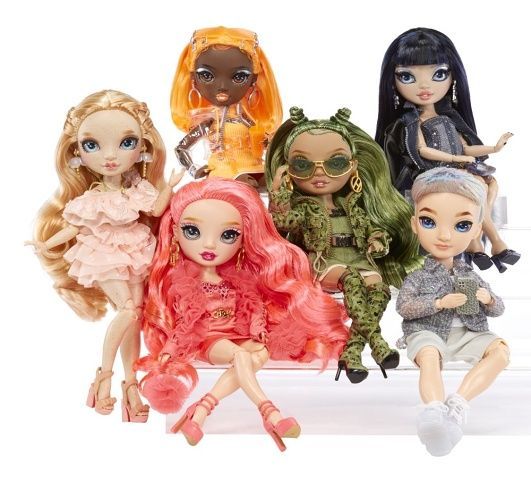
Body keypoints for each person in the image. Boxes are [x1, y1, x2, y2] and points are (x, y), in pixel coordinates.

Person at [135, 178, 348, 451]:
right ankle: (270, 413)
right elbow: (185, 322)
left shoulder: (237, 276)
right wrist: (169, 348)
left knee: (261, 352)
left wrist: (258, 324)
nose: (209, 244)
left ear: (244, 236)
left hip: (237, 333)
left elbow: (252, 304)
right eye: (193, 231)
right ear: (175, 232)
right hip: (208, 339)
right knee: (241, 357)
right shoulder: (181, 280)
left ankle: (200, 410)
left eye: (228, 235)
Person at [26, 90, 181, 423]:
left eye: (126, 143)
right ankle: (103, 377)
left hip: (136, 251)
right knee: (127, 310)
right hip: (104, 256)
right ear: (76, 153)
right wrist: (46, 244)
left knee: (136, 317)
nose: (110, 156)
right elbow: (73, 227)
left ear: (143, 148)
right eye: (92, 145)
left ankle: (131, 385)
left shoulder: (137, 189)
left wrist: (170, 186)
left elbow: (156, 209)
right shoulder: (89, 199)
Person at [266, 106, 421, 383]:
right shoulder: (305, 208)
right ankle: (377, 342)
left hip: (359, 258)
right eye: (303, 165)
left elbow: (372, 229)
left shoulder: (352, 205)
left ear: (353, 166)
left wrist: (377, 241)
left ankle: (352, 352)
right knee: (351, 279)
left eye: (335, 163)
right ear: (289, 170)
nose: (319, 173)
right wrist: (277, 195)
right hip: (324, 262)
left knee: (379, 289)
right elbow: (281, 223)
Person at [375, 27, 519, 272]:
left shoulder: (450, 117)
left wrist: (494, 148)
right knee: (476, 186)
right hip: (429, 174)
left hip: (455, 170)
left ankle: (477, 241)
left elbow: (467, 147)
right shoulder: (410, 121)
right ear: (393, 81)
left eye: (439, 74)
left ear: (454, 77)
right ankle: (493, 243)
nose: (424, 86)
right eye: (407, 77)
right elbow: (421, 150)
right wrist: (454, 158)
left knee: (489, 184)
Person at [396, 167, 509, 456]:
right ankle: (433, 411)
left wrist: (487, 299)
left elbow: (498, 309)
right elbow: (404, 307)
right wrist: (438, 304)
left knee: (500, 351)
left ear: (476, 230)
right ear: (414, 224)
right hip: (427, 331)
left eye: (461, 225)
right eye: (429, 222)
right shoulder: (418, 276)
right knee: (429, 355)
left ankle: (457, 405)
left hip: (469, 332)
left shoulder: (469, 274)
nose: (445, 235)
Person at [171, 26, 282, 186]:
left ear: (254, 79)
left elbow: (270, 147)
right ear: (193, 78)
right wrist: (195, 169)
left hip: (253, 172)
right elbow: (181, 148)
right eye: (206, 75)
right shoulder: (209, 122)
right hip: (223, 174)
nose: (222, 86)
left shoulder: (252, 121)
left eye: (239, 76)